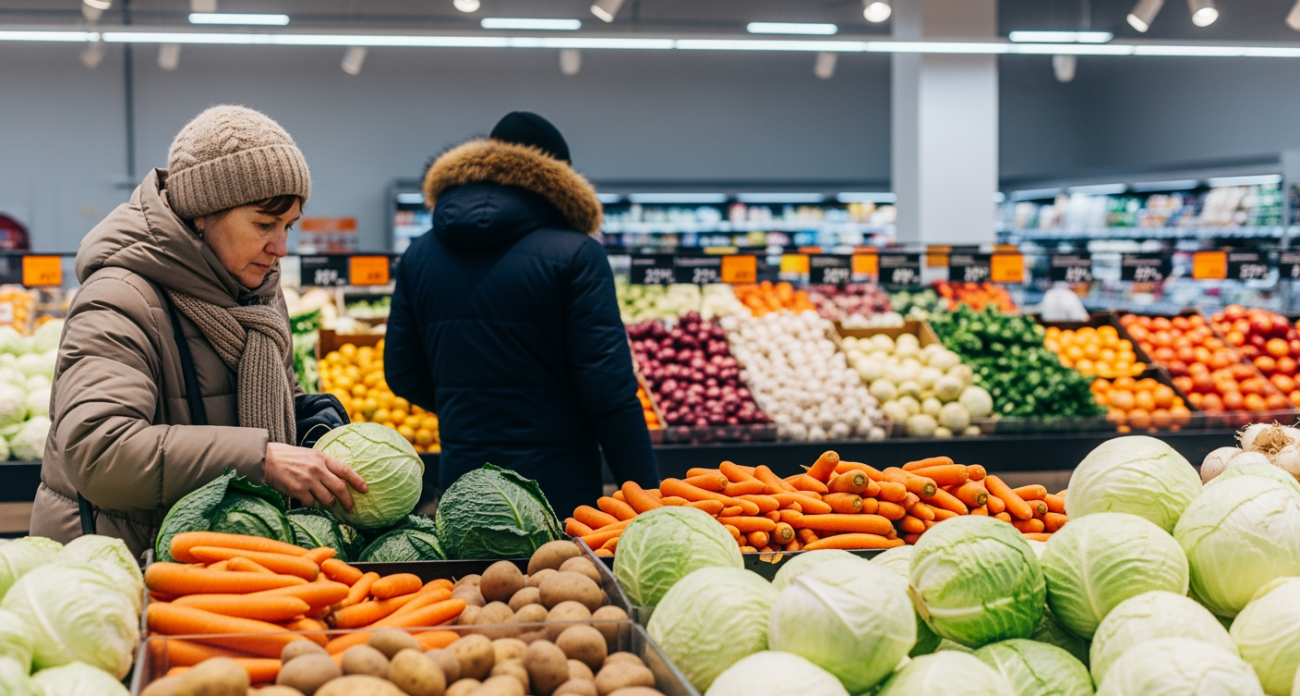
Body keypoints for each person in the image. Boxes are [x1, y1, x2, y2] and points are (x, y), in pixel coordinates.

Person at [30, 105, 365, 558]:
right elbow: (99, 450)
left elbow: (265, 390)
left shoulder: (257, 292)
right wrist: (262, 459)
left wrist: (306, 423)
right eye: (264, 224)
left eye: (288, 226)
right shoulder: (119, 298)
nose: (281, 247)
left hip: (217, 562)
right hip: (120, 565)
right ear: (202, 213)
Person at [385, 111, 659, 517]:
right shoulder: (578, 254)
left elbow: (401, 371)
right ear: (560, 179)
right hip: (558, 489)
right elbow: (608, 390)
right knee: (559, 562)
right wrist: (649, 497)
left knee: (469, 561)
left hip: (465, 487)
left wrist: (469, 405)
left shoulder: (419, 254)